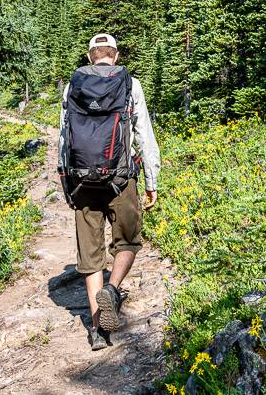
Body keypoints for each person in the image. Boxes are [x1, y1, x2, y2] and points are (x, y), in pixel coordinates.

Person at [57, 33, 160, 351]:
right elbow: (144, 133)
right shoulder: (132, 84)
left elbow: (64, 137)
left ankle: (98, 330)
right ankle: (113, 290)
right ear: (114, 55)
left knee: (90, 256)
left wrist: (66, 181)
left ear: (91, 57)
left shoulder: (72, 85)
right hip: (121, 178)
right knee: (127, 241)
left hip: (82, 181)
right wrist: (152, 180)